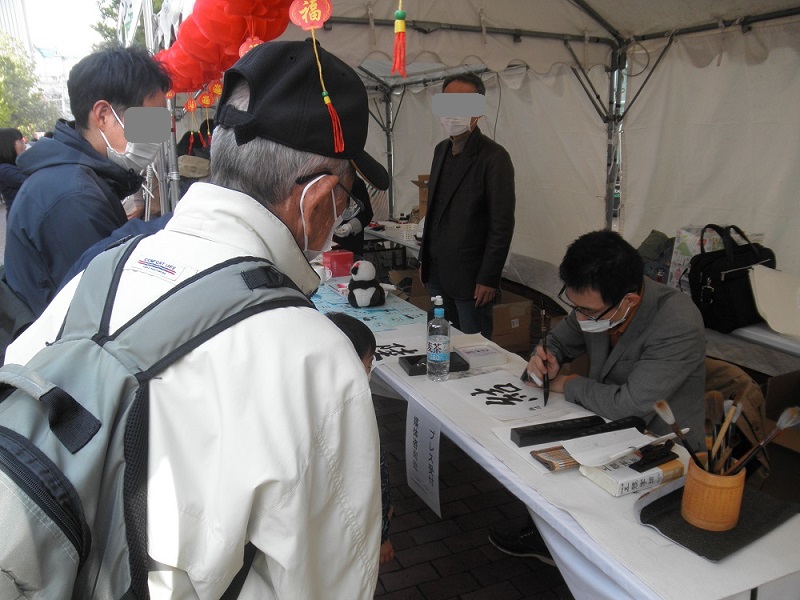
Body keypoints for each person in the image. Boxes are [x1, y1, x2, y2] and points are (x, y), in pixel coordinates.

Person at [6, 39, 390, 598]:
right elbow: (332, 584)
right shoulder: (315, 355)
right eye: (346, 200)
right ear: (317, 198)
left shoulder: (102, 268)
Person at [489, 229, 706, 562]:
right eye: (573, 305)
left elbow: (630, 406)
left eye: (586, 311)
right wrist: (545, 357)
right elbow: (558, 340)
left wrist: (567, 382)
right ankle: (549, 537)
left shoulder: (677, 322)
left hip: (663, 447)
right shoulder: (595, 304)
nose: (578, 317)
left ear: (629, 301)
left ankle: (576, 550)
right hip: (607, 424)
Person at [4, 46, 171, 316]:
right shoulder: (73, 197)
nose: (158, 135)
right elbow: (101, 308)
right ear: (103, 115)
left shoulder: (73, 179)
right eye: (150, 121)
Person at [418, 73, 516, 338]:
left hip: (472, 279)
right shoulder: (441, 150)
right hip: (437, 272)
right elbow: (434, 209)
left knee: (473, 348)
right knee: (439, 341)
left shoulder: (494, 157)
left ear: (478, 111)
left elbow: (501, 225)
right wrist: (424, 259)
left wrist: (488, 278)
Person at [326, 312, 395, 565]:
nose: (369, 370)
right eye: (368, 362)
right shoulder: (357, 411)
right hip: (355, 531)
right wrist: (382, 533)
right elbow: (375, 473)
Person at [332, 175, 374, 256]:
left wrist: (350, 227)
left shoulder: (357, 183)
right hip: (329, 242)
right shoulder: (327, 182)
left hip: (351, 242)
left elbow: (367, 213)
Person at [0, 128, 28, 212]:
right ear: (8, 145)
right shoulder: (5, 170)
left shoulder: (15, 166)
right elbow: (33, 181)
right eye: (21, 142)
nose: (25, 146)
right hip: (20, 215)